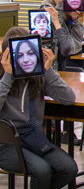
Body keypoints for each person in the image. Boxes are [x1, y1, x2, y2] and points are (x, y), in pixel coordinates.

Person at [0, 27, 78, 189]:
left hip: (32, 139)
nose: (26, 60)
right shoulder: (2, 77)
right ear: (6, 56)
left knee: (68, 168)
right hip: (5, 144)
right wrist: (7, 75)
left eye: (30, 53)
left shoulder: (38, 77)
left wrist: (48, 71)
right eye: (18, 55)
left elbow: (68, 98)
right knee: (42, 170)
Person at [40, 0, 84, 145]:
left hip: (62, 64)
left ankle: (67, 131)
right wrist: (59, 10)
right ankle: (51, 131)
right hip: (48, 64)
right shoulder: (48, 7)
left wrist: (76, 21)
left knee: (70, 90)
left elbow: (75, 45)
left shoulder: (71, 13)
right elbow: (65, 46)